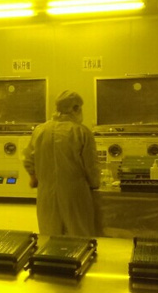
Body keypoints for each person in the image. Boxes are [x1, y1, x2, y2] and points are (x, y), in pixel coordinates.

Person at [22, 90, 101, 236]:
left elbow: (28, 158)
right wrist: (95, 184)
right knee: (79, 236)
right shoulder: (81, 132)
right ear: (75, 108)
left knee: (50, 235)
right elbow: (91, 166)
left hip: (46, 193)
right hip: (75, 194)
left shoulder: (40, 130)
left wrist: (34, 176)